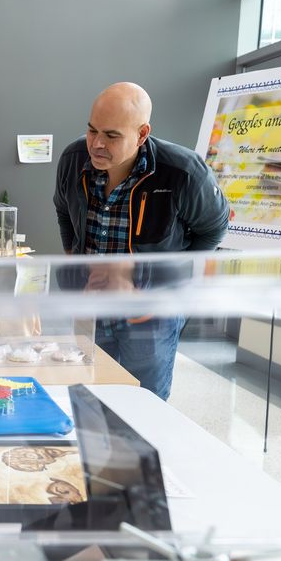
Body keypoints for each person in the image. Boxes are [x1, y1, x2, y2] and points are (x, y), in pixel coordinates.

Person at [53, 82, 228, 400]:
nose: (96, 145)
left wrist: (165, 281)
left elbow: (213, 228)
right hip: (90, 308)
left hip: (150, 313)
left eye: (112, 135)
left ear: (142, 134)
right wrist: (73, 261)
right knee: (87, 398)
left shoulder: (183, 172)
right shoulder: (73, 159)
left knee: (144, 402)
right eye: (92, 131)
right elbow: (63, 210)